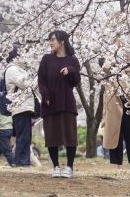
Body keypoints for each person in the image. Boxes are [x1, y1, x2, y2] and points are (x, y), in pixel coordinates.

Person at [37, 30, 81, 178]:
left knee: (70, 136)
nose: (50, 42)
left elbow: (76, 81)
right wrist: (46, 95)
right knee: (52, 135)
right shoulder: (46, 59)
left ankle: (69, 167)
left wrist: (70, 70)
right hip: (50, 102)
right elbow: (41, 80)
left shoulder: (72, 60)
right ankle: (55, 167)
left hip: (67, 102)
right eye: (50, 40)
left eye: (53, 40)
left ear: (62, 41)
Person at [101, 64, 130, 172]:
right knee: (114, 138)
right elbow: (104, 67)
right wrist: (104, 116)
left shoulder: (126, 75)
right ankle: (117, 166)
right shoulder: (107, 79)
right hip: (113, 110)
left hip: (128, 108)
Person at [5, 48, 37, 168]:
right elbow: (25, 84)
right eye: (21, 55)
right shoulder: (12, 69)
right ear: (15, 57)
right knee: (23, 135)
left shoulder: (18, 69)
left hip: (24, 106)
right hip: (20, 106)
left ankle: (23, 160)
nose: (24, 58)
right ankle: (21, 161)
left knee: (25, 135)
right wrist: (35, 77)